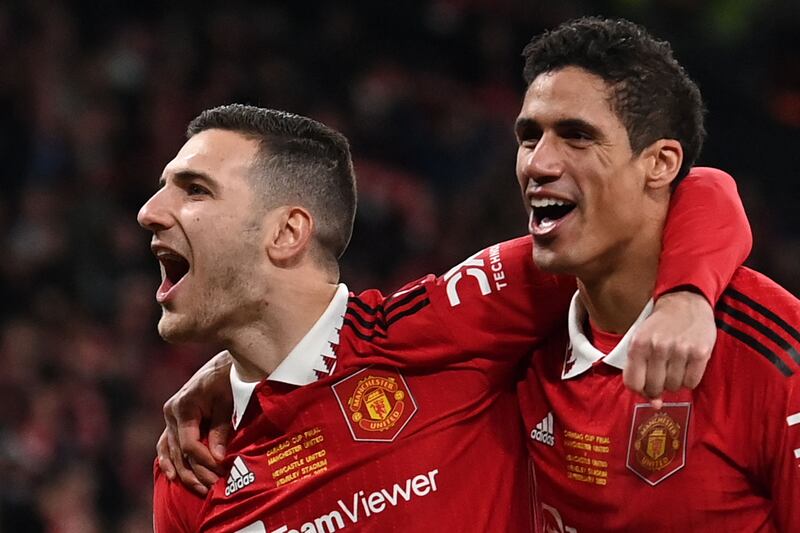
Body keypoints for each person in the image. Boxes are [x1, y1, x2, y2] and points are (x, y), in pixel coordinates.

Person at [142, 105, 749, 532]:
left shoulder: (446, 323)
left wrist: (683, 297)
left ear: (287, 233)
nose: (149, 212)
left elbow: (687, 195)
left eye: (194, 190)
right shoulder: (194, 462)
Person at [512, 17, 800, 532]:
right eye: (529, 136)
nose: (538, 163)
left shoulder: (776, 356)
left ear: (661, 163)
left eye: (577, 136)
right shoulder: (509, 330)